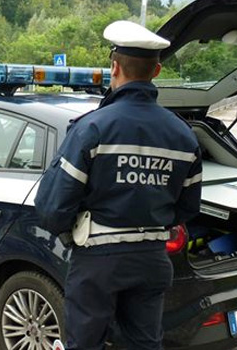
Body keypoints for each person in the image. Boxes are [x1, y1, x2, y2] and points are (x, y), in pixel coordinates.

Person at [35, 21, 202, 350]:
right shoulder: (184, 136)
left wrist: (74, 233)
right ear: (156, 70)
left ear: (114, 67)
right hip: (153, 260)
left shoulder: (92, 129)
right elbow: (187, 209)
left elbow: (52, 208)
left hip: (98, 263)